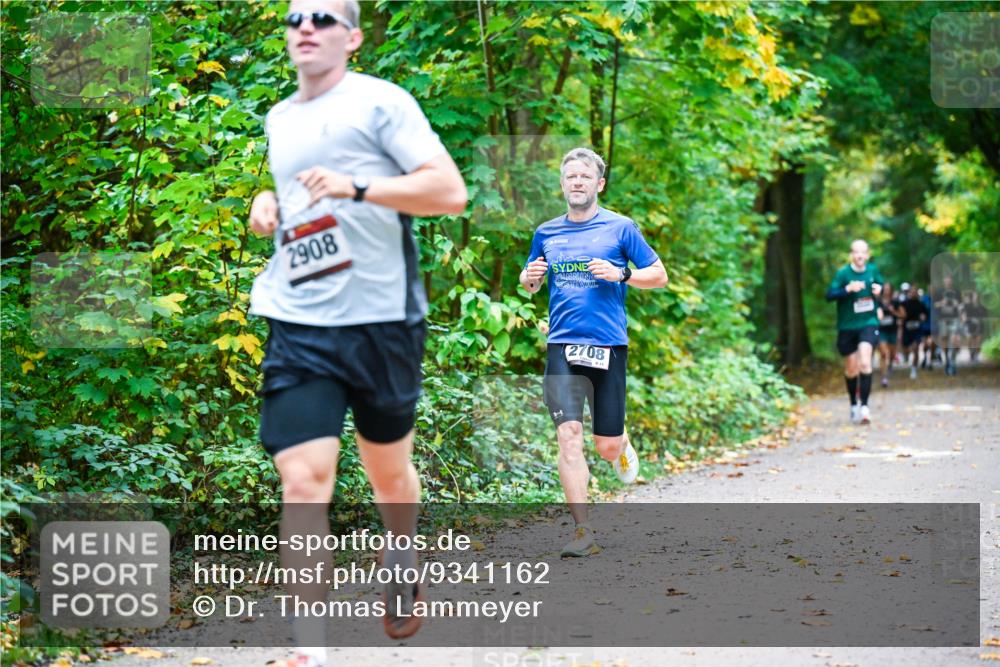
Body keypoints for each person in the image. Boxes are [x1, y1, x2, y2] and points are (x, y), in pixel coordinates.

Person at [246, 0, 467, 662]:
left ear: (353, 37)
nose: (306, 28)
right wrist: (268, 205)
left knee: (388, 476)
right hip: (300, 319)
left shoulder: (382, 103)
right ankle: (308, 649)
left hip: (381, 321)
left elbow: (448, 192)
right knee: (303, 478)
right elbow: (300, 202)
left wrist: (358, 187)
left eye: (323, 18)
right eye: (295, 19)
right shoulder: (280, 118)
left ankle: (401, 552)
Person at [519, 148, 667, 557]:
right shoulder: (546, 232)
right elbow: (530, 281)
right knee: (568, 436)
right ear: (562, 184)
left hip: (608, 346)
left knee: (605, 446)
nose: (577, 182)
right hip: (562, 346)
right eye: (571, 176)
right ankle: (582, 531)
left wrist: (622, 274)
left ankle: (620, 442)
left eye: (585, 176)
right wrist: (529, 277)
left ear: (599, 184)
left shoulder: (621, 228)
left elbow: (659, 275)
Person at [825, 240, 884, 424]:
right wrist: (847, 289)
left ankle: (865, 407)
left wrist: (879, 291)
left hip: (868, 322)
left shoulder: (873, 270)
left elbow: (881, 287)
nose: (860, 256)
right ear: (851, 254)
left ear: (867, 255)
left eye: (863, 252)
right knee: (851, 369)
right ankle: (853, 404)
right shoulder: (843, 273)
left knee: (865, 363)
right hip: (847, 326)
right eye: (856, 252)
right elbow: (829, 295)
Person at [934, 275, 964, 376]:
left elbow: (961, 306)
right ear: (944, 281)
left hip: (954, 319)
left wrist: (956, 305)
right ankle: (947, 360)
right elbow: (935, 305)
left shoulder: (957, 292)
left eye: (950, 280)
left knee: (954, 340)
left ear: (952, 281)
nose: (948, 282)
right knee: (944, 341)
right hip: (943, 319)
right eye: (946, 280)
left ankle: (953, 363)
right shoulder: (939, 292)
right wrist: (942, 303)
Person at [876, 282, 903, 387]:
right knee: (883, 353)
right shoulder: (878, 302)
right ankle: (884, 377)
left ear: (891, 290)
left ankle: (890, 364)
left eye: (888, 289)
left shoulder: (895, 302)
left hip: (892, 330)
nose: (886, 291)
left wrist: (893, 312)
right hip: (881, 330)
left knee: (891, 354)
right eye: (885, 289)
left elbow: (903, 315)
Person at [900, 283, 929, 379]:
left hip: (917, 329)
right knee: (906, 348)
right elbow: (900, 315)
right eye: (911, 292)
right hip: (907, 329)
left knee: (916, 348)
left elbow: (925, 314)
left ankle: (914, 368)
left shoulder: (921, 304)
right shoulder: (904, 304)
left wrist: (923, 317)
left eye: (914, 292)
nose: (913, 293)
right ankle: (906, 356)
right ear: (908, 293)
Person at [964, 290, 987, 362]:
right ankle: (971, 353)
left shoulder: (982, 307)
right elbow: (964, 315)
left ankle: (976, 355)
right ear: (972, 297)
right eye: (974, 296)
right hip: (970, 325)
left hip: (979, 325)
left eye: (977, 296)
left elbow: (985, 317)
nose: (976, 298)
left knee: (978, 341)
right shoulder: (968, 306)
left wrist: (980, 320)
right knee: (970, 339)